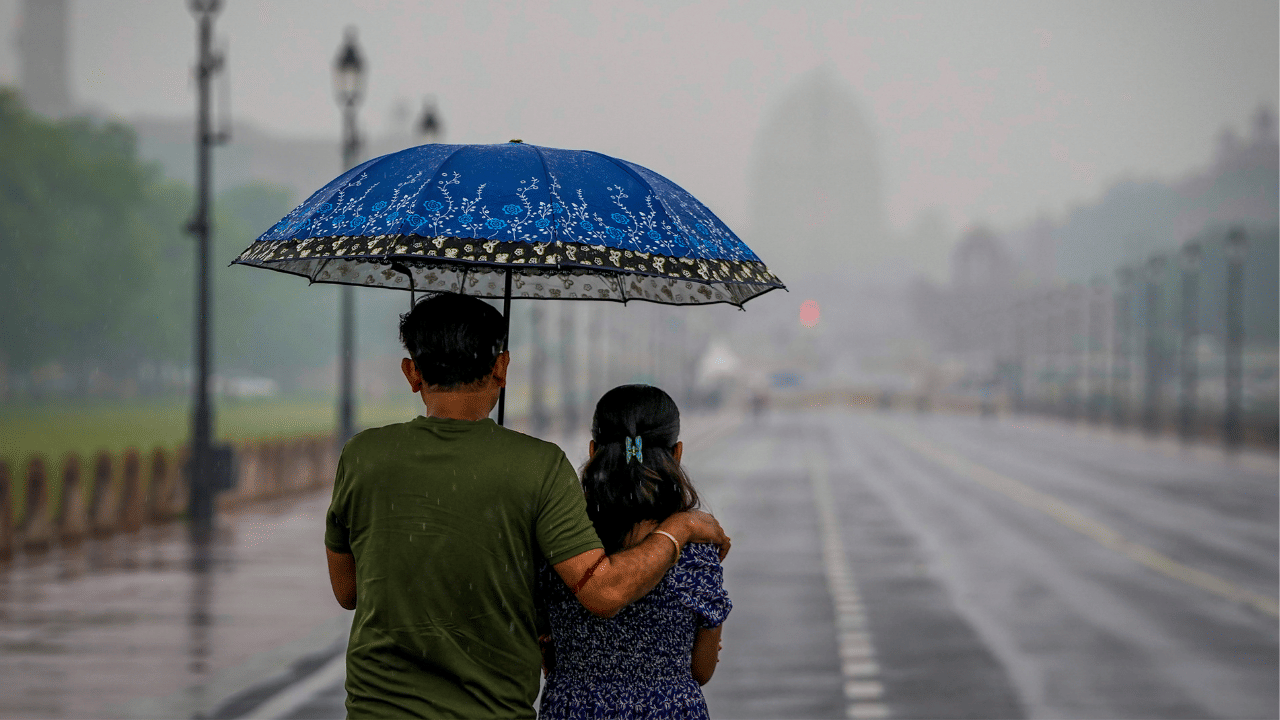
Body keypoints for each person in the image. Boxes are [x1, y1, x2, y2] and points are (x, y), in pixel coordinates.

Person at [324, 293, 730, 719]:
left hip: (377, 709)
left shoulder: (362, 456)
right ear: (501, 368)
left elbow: (348, 591)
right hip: (490, 709)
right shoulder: (538, 465)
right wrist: (680, 529)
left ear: (412, 372)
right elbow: (602, 592)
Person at [537, 384, 730, 720]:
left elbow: (548, 653)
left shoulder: (565, 542)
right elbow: (701, 670)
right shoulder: (697, 550)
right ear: (677, 453)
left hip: (575, 709)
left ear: (593, 450)